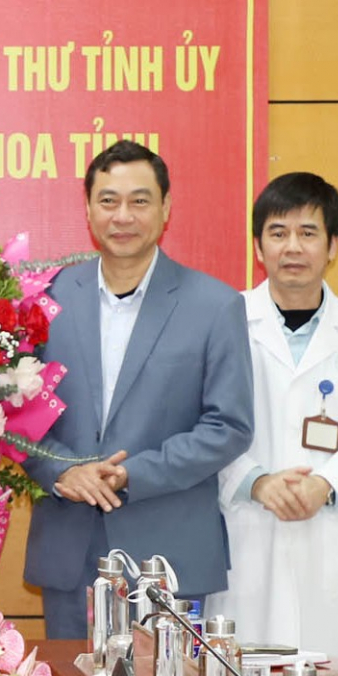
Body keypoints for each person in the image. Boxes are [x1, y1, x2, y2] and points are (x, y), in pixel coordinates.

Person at [24, 140, 254, 631]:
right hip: (70, 547)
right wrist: (61, 472)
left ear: (166, 208)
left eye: (140, 200)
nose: (122, 215)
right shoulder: (46, 298)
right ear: (88, 209)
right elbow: (13, 414)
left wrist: (131, 474)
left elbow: (228, 426)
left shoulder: (215, 305)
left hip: (169, 555)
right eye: (108, 200)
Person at [209, 174, 338, 658]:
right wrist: (254, 480)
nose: (293, 247)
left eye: (308, 233)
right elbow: (200, 424)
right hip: (246, 532)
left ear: (333, 245)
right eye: (278, 232)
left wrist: (326, 484)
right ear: (258, 244)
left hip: (331, 532)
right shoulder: (221, 321)